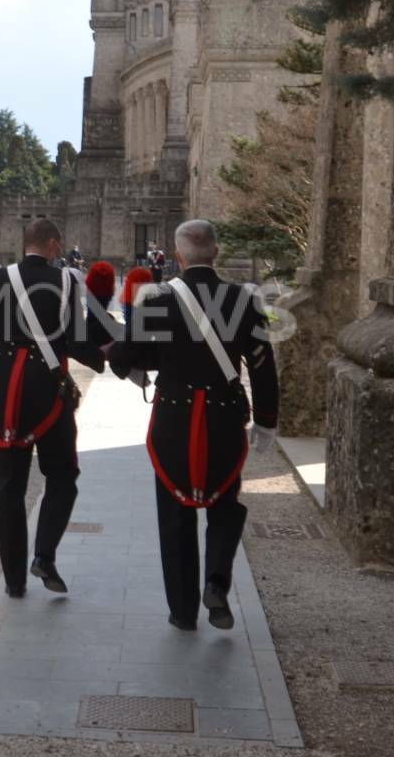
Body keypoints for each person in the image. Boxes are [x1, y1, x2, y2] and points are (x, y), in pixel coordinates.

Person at [110, 219, 278, 632]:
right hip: (224, 416)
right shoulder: (245, 299)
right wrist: (267, 424)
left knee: (175, 512)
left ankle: (183, 612)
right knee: (224, 504)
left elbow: (122, 355)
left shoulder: (159, 298)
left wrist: (150, 364)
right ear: (216, 252)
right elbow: (263, 368)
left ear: (178, 255)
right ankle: (217, 584)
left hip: (174, 418)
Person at [0, 218, 107, 598]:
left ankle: (13, 581)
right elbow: (76, 341)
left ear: (24, 244)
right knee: (62, 476)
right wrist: (109, 358)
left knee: (8, 486)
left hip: (3, 391)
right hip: (48, 390)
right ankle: (44, 554)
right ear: (55, 245)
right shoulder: (68, 282)